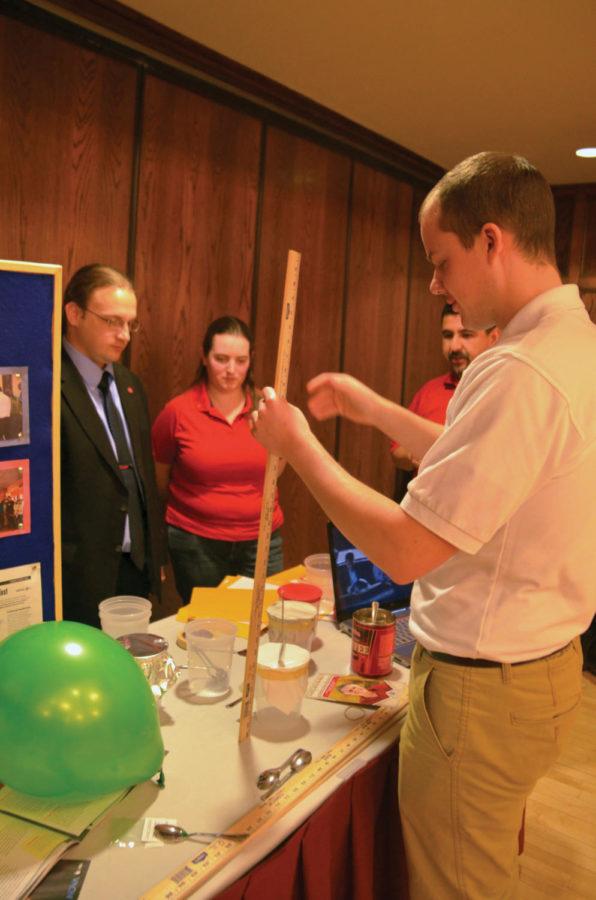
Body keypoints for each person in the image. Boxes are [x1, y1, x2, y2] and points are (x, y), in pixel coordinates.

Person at [249, 152, 596, 898]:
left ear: (493, 241)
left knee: (459, 885)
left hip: (487, 693)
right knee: (486, 866)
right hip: (545, 669)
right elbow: (486, 476)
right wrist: (375, 409)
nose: (436, 283)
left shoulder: (520, 368)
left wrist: (297, 443)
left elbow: (407, 549)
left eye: (442, 261)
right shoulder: (575, 346)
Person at [151, 316, 284, 603]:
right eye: (221, 359)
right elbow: (159, 480)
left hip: (261, 541)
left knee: (264, 620)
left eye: (241, 360)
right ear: (204, 357)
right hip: (196, 543)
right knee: (207, 627)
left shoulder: (269, 410)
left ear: (251, 361)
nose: (231, 370)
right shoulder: (177, 412)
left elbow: (277, 468)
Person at [61, 264, 165, 627]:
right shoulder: (46, 384)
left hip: (134, 569)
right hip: (78, 577)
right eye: (111, 321)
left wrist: (154, 562)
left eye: (129, 324)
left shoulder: (130, 385)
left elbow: (142, 481)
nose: (124, 335)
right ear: (74, 314)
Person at [391, 304, 500, 471]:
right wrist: (414, 455)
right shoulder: (429, 391)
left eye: (466, 335)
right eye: (448, 336)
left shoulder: (506, 390)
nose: (454, 346)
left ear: (493, 338)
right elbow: (397, 450)